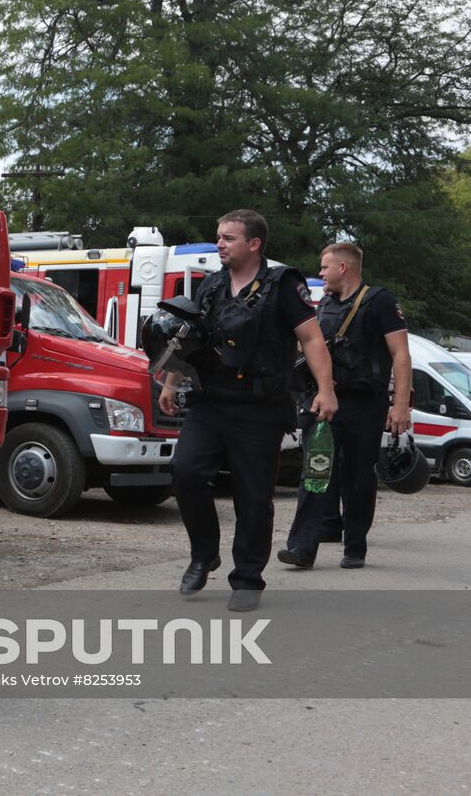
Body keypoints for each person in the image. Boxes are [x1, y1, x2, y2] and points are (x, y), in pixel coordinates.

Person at [159, 210, 336, 612]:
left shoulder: (283, 285)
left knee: (253, 496)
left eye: (228, 238)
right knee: (186, 474)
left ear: (254, 244)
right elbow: (189, 340)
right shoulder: (211, 286)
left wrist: (326, 390)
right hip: (209, 401)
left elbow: (311, 339)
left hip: (260, 407)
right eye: (218, 236)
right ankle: (204, 554)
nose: (219, 244)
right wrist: (171, 382)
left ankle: (247, 579)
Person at [279, 242, 411, 569]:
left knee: (358, 477)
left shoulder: (379, 301)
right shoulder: (323, 304)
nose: (320, 273)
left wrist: (401, 406)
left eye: (324, 267)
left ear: (343, 268)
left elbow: (401, 354)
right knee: (316, 471)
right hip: (325, 400)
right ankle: (302, 548)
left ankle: (355, 545)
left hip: (364, 404)